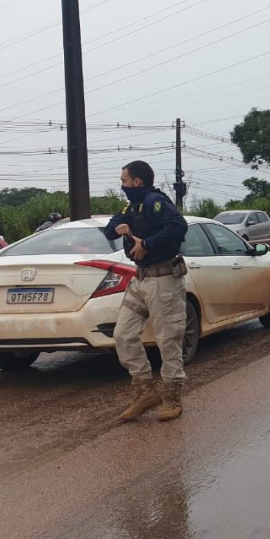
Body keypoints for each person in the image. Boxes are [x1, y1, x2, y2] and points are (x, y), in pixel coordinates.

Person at [102, 160, 189, 423]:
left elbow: (178, 227)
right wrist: (119, 228)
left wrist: (147, 244)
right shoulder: (131, 206)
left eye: (125, 181)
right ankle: (145, 391)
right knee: (123, 335)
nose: (123, 185)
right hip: (140, 280)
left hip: (163, 279)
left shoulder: (155, 201)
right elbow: (109, 228)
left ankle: (172, 398)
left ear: (137, 182)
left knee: (168, 339)